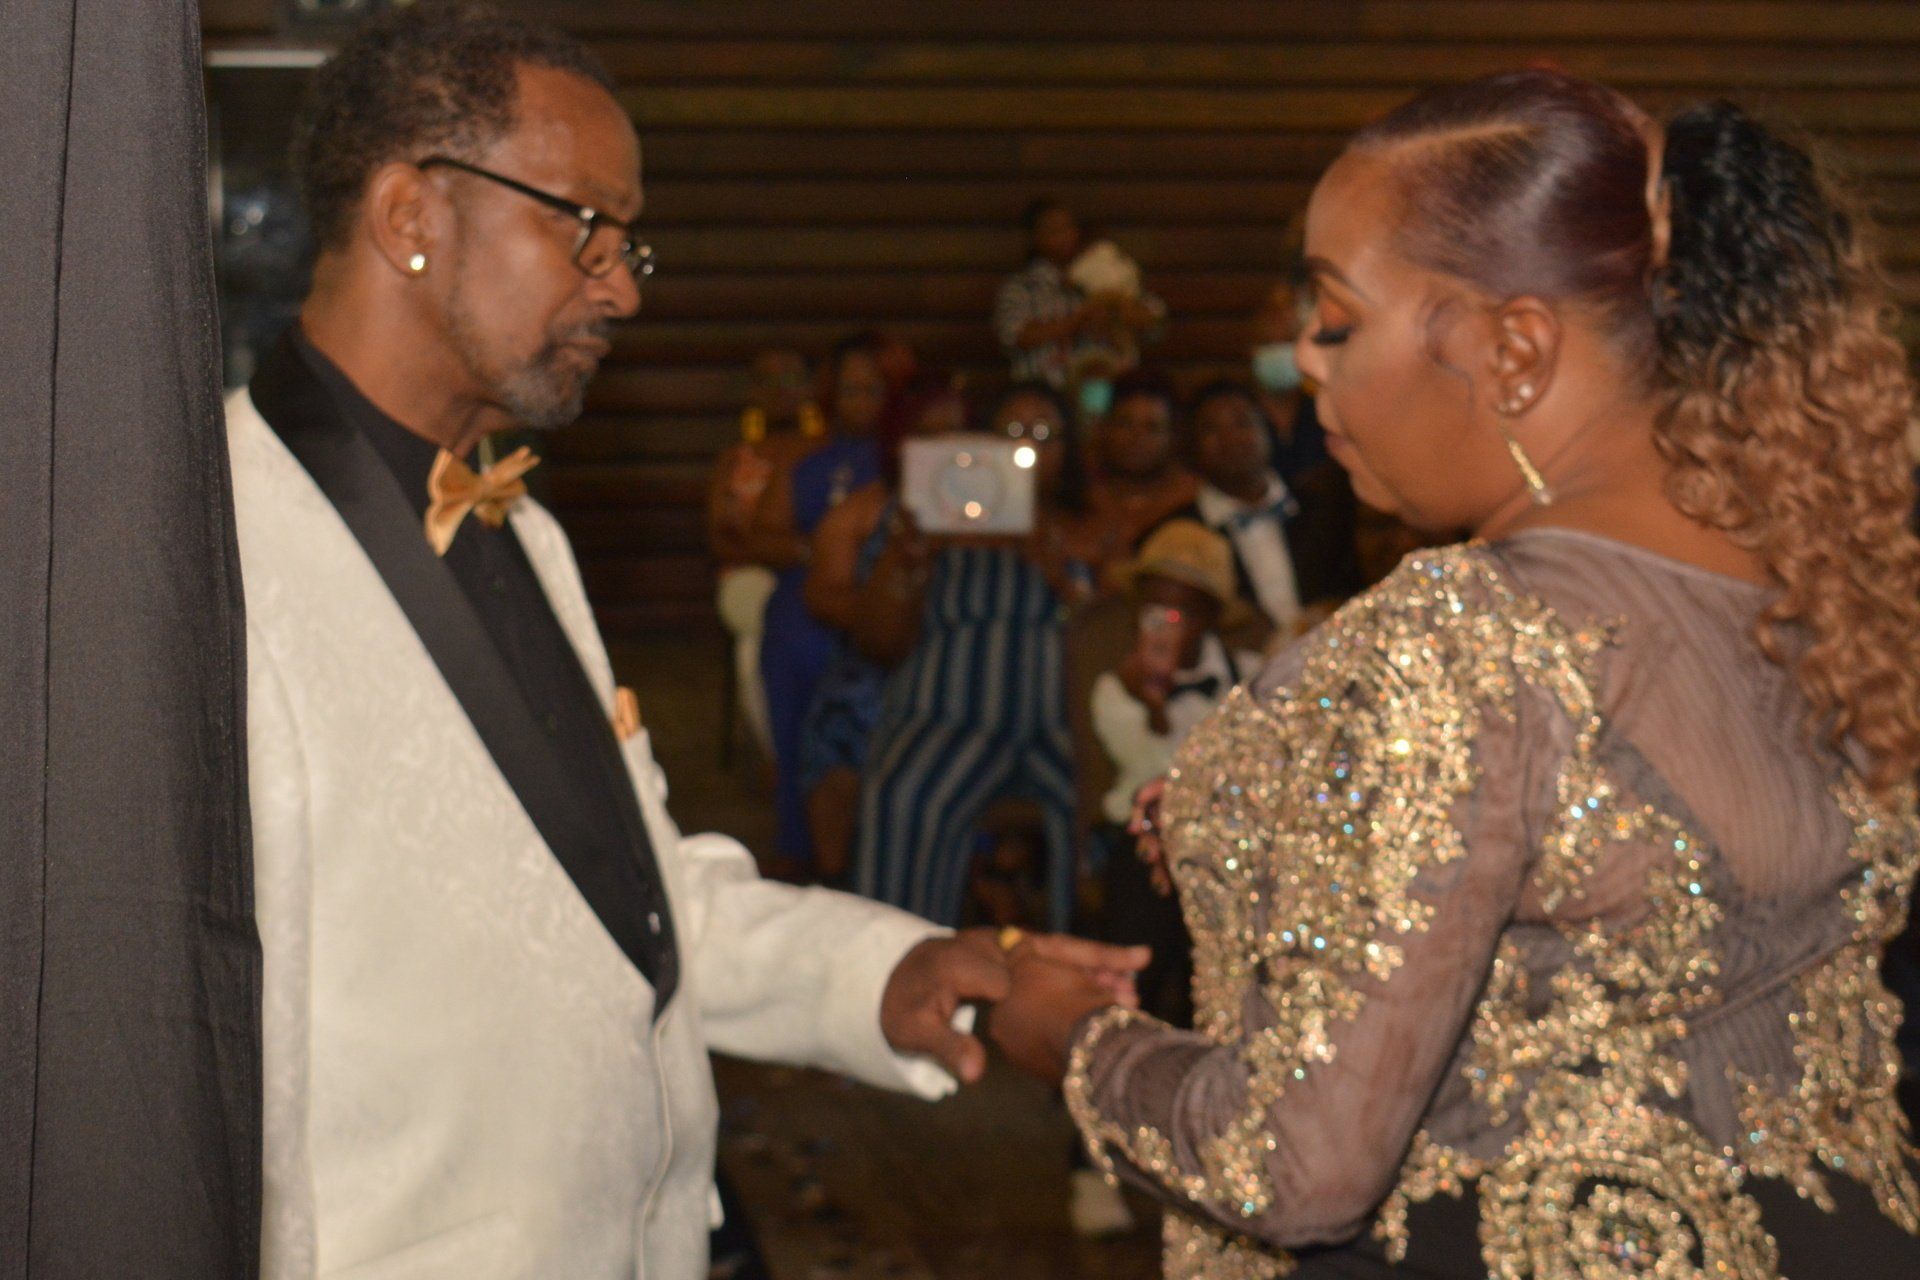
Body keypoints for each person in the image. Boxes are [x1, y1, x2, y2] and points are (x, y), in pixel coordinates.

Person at [227, 8, 1142, 1277]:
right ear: (409, 216)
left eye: (629, 244)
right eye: (587, 229)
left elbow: (629, 902)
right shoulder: (207, 555)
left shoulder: (520, 524)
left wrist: (890, 972)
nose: (623, 286)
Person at [988, 70, 1920, 1277]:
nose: (1303, 359)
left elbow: (1295, 1164)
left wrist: (1070, 1033)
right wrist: (1272, 824)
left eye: (1337, 318)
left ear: (1513, 348)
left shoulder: (1461, 638)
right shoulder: (1834, 585)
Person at [854, 382, 1094, 934]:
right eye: (1012, 433)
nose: (1028, 448)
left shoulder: (1088, 524)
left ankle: (1079, 969)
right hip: (946, 715)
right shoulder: (933, 511)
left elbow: (1111, 631)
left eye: (1045, 435)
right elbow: (876, 641)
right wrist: (909, 561)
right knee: (902, 795)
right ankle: (900, 954)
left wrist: (1056, 567)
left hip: (1063, 725)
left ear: (1069, 450)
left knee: (1112, 804)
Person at [799, 376, 970, 884]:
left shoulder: (996, 512)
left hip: (967, 664)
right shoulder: (866, 510)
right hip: (882, 662)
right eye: (928, 437)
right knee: (845, 715)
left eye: (956, 436)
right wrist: (892, 608)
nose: (943, 450)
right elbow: (822, 595)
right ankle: (837, 877)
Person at [1090, 519, 1257, 1026]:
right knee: (1141, 912)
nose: (1165, 624)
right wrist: (1150, 702)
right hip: (1141, 842)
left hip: (1224, 844)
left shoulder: (1249, 677)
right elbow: (1149, 770)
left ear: (1209, 618)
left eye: (1180, 611)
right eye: (1153, 608)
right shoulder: (1115, 687)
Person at [753, 332, 889, 873]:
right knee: (796, 647)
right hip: (809, 595)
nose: (862, 402)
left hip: (885, 595)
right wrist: (823, 548)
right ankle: (800, 840)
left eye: (874, 390)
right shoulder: (805, 460)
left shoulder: (908, 462)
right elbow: (764, 535)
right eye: (852, 390)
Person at [1161, 380, 1361, 647]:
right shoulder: (1179, 534)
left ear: (1267, 429)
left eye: (1242, 423)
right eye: (1211, 429)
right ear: (1191, 445)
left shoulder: (1326, 508)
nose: (1230, 438)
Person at [706, 347, 818, 759]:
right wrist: (775, 549)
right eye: (767, 381)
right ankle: (778, 752)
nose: (779, 390)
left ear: (810, 388)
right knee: (757, 630)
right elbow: (720, 539)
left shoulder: (825, 454)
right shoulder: (735, 461)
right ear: (752, 391)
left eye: (790, 379)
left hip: (813, 575)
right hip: (749, 577)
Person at [994, 198, 1165, 391]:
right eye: (1053, 230)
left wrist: (1115, 310)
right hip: (1047, 392)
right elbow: (1013, 337)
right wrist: (1078, 319)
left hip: (1110, 390)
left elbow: (1155, 321)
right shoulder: (1021, 287)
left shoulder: (1106, 272)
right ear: (1034, 238)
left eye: (1068, 227)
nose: (1064, 236)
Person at [1079, 370, 1199, 587]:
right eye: (1125, 424)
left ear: (1173, 437)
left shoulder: (1195, 499)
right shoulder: (1079, 495)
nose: (1137, 438)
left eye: (1152, 427)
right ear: (1105, 428)